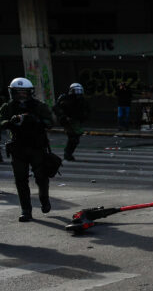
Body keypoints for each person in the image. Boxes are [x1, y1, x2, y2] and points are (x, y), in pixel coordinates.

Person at [0, 77, 56, 221]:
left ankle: (44, 199)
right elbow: (1, 122)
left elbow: (51, 122)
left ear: (29, 92)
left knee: (41, 177)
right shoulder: (8, 107)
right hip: (18, 147)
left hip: (37, 147)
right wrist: (10, 122)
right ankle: (26, 210)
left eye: (24, 92)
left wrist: (36, 120)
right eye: (18, 92)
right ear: (12, 93)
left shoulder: (39, 106)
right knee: (20, 179)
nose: (21, 95)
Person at [53, 82, 89, 161]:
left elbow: (85, 109)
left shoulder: (81, 99)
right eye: (76, 91)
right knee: (73, 137)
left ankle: (68, 153)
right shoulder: (64, 98)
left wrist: (83, 116)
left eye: (79, 91)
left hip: (75, 120)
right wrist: (63, 116)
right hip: (67, 120)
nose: (78, 93)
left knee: (76, 138)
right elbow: (56, 107)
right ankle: (67, 154)